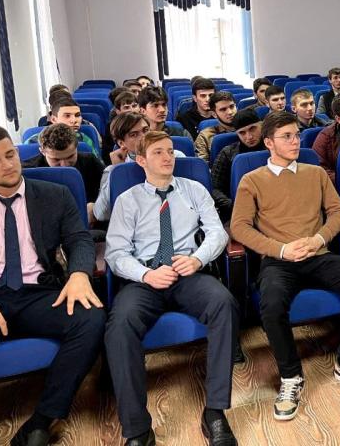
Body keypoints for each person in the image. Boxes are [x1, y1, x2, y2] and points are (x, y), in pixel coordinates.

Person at [231, 111, 340, 421]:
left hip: (317, 254)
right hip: (279, 260)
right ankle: (291, 376)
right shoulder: (252, 180)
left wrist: (318, 239)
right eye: (287, 136)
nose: (295, 142)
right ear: (269, 143)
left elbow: (338, 212)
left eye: (297, 135)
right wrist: (281, 249)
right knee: (272, 304)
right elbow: (239, 227)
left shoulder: (315, 173)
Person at [105, 131, 239, 446]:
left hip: (187, 272)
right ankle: (137, 430)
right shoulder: (128, 200)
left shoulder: (194, 189)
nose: (168, 157)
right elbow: (115, 253)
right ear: (141, 160)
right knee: (119, 325)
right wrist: (145, 274)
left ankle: (215, 410)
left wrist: (197, 259)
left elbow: (217, 233)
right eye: (158, 152)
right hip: (145, 278)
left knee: (224, 303)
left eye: (170, 151)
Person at [0, 125, 106, 446]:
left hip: (39, 292)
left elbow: (79, 239)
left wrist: (79, 274)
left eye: (10, 154)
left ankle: (42, 421)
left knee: (90, 318)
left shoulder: (54, 194)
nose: (7, 164)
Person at [22, 123, 105, 217]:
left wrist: (96, 206)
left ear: (76, 147)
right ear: (42, 151)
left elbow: (106, 192)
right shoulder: (29, 171)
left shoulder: (90, 162)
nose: (64, 165)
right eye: (56, 160)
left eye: (70, 157)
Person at [211, 109, 264, 223]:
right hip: (238, 211)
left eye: (252, 129)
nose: (249, 136)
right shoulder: (227, 153)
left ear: (261, 125)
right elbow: (215, 189)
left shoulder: (274, 147)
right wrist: (234, 206)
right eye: (242, 133)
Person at [27, 97, 101, 158]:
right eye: (67, 116)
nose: (74, 120)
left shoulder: (84, 139)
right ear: (54, 119)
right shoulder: (32, 141)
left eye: (77, 115)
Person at [195, 91, 237, 162]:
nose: (230, 112)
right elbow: (202, 165)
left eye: (232, 106)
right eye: (223, 109)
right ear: (214, 114)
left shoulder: (247, 128)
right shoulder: (205, 136)